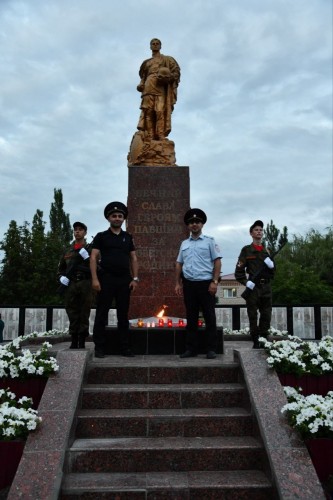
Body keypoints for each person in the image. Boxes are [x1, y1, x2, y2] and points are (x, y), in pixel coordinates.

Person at [90, 202, 139, 358]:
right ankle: (100, 347)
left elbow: (133, 258)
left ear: (123, 219)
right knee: (102, 313)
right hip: (106, 280)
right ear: (108, 218)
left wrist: (135, 278)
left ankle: (125, 347)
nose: (117, 218)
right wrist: (95, 279)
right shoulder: (101, 236)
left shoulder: (128, 237)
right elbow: (93, 257)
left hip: (124, 280)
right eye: (114, 216)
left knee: (123, 315)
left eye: (120, 216)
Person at [175, 209, 222, 359]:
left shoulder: (210, 241)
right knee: (191, 317)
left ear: (202, 224)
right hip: (189, 284)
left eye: (197, 222)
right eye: (191, 222)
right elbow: (179, 263)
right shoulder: (184, 244)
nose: (194, 224)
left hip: (205, 284)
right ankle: (191, 349)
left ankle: (211, 349)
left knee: (209, 316)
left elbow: (217, 262)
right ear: (188, 226)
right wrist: (177, 283)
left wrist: (214, 282)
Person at [234, 220, 275, 349]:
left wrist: (272, 266)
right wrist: (247, 282)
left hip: (266, 287)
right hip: (253, 287)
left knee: (266, 313)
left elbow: (273, 273)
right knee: (253, 314)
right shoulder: (246, 250)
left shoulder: (267, 251)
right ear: (251, 233)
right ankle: (255, 339)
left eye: (261, 230)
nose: (259, 232)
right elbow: (238, 272)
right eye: (256, 230)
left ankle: (263, 338)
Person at [57, 222, 93, 349]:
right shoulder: (67, 250)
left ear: (85, 233)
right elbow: (61, 269)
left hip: (85, 283)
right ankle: (73, 340)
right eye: (75, 230)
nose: (77, 231)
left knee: (84, 312)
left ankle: (82, 341)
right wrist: (61, 278)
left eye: (80, 230)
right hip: (71, 284)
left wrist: (88, 258)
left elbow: (97, 268)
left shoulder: (90, 249)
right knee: (71, 311)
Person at [137, 38, 180, 141]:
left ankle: (160, 134)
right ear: (150, 46)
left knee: (160, 111)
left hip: (160, 87)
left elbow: (176, 71)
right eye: (153, 44)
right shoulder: (146, 63)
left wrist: (169, 77)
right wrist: (141, 85)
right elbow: (143, 77)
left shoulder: (167, 59)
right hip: (148, 86)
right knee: (149, 112)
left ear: (160, 46)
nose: (155, 45)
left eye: (157, 44)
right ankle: (150, 135)